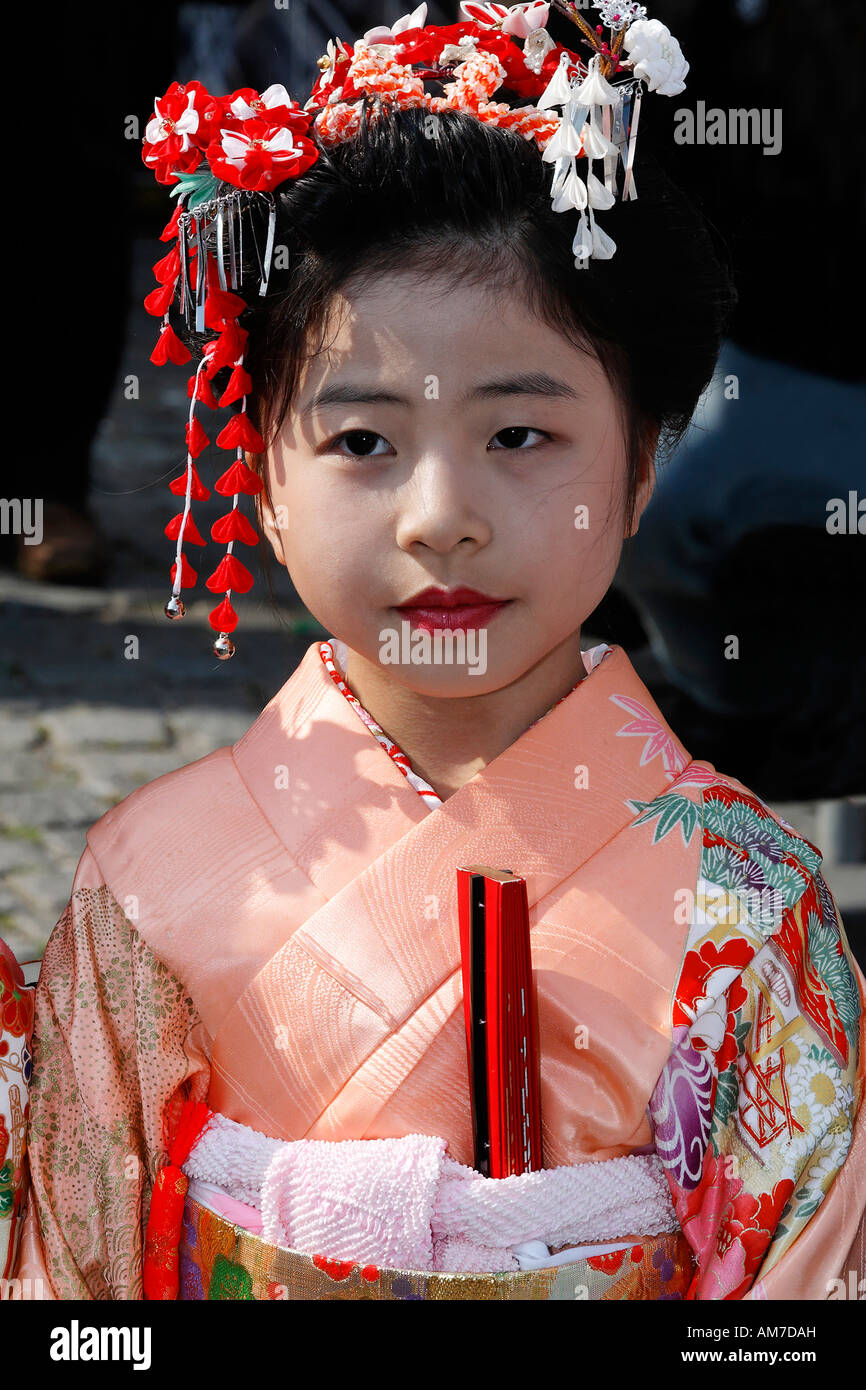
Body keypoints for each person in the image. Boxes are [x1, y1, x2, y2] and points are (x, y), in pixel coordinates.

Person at [10, 2, 865, 1301]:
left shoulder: (747, 898)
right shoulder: (153, 875)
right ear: (261, 484)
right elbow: (78, 1301)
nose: (440, 516)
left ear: (640, 465)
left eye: (519, 436)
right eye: (361, 442)